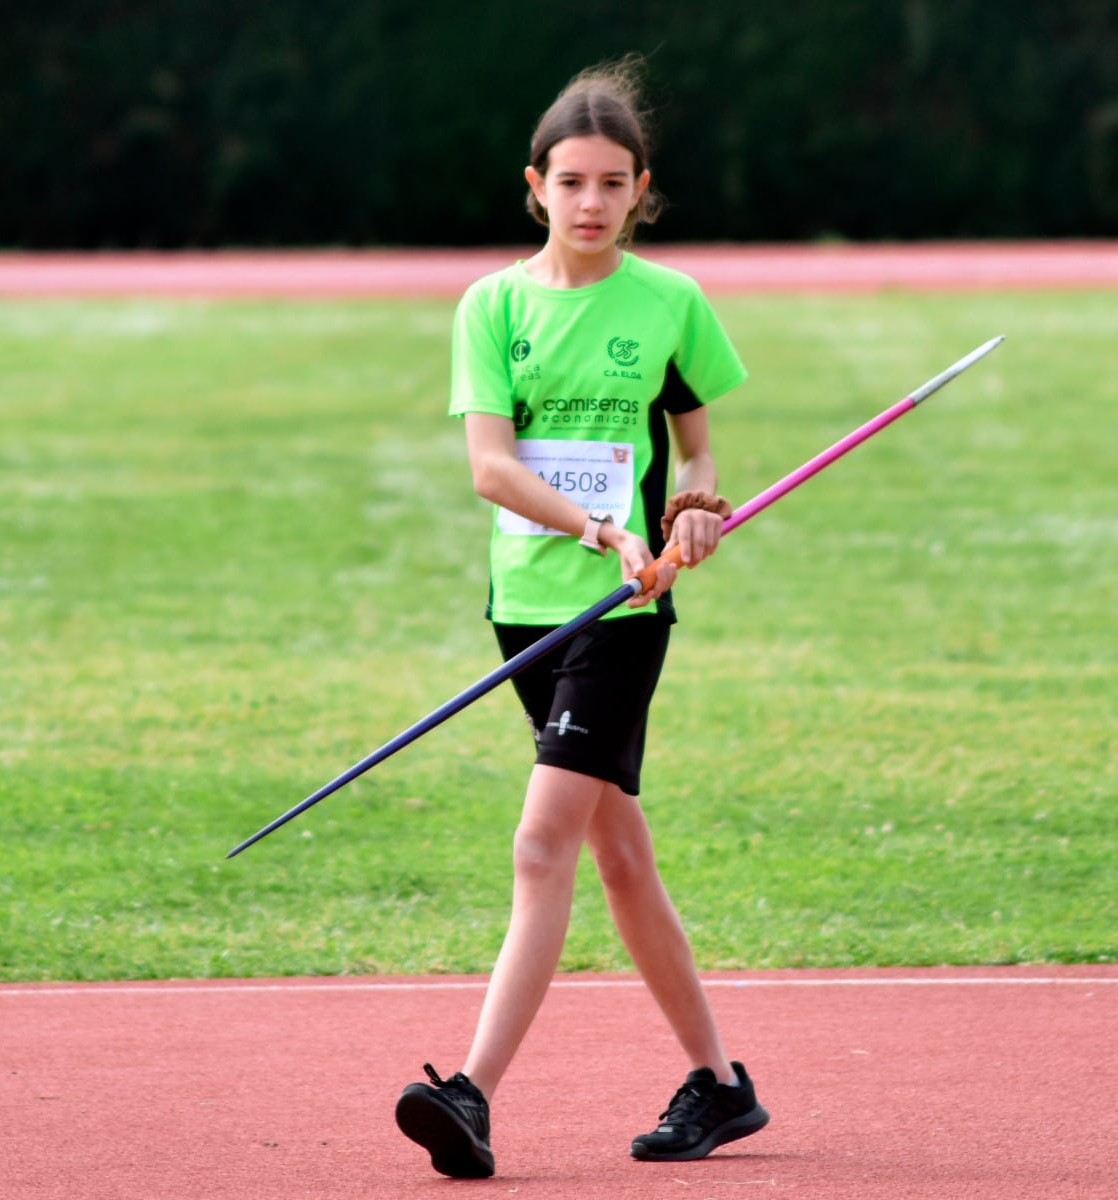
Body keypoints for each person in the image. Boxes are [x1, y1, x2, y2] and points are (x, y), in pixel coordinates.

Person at [394, 55, 769, 1179]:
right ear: (535, 186)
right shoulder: (492, 307)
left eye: (614, 183)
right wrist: (591, 525)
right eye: (572, 182)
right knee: (619, 860)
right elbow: (489, 470)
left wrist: (695, 510)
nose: (593, 202)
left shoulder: (668, 303)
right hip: (528, 607)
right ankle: (719, 1085)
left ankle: (469, 1094)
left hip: (623, 613)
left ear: (640, 187)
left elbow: (696, 443)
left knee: (540, 842)